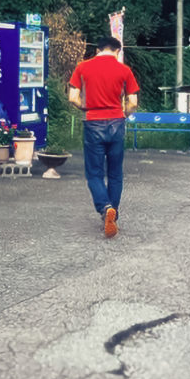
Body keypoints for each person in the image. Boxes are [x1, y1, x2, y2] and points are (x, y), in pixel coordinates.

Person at [68, 36, 139, 238]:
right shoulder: (124, 70)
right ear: (117, 51)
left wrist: (86, 107)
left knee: (94, 173)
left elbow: (72, 97)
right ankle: (112, 215)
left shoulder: (83, 67)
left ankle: (105, 207)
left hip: (93, 123)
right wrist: (122, 114)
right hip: (117, 123)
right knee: (115, 173)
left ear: (97, 49)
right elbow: (132, 102)